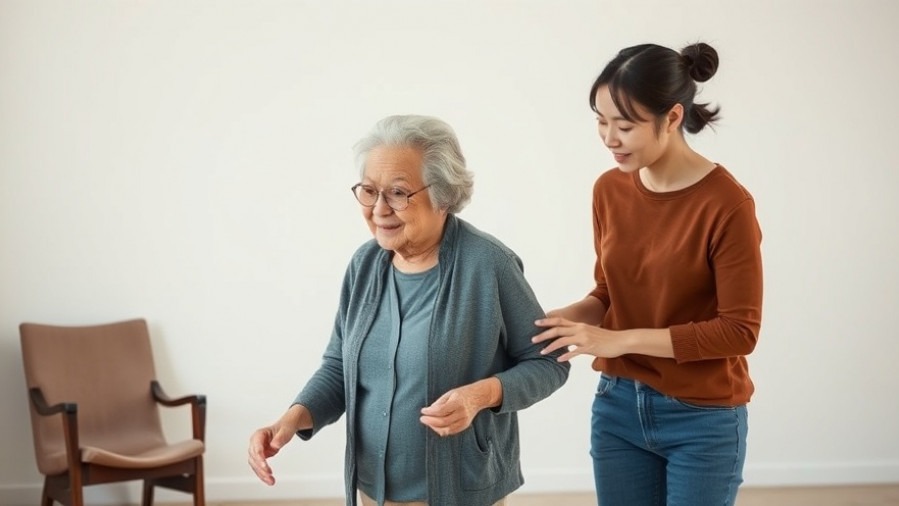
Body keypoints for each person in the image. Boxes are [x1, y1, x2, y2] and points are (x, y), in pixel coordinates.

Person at [248, 114, 570, 506]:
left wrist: (481, 395)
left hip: (460, 490)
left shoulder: (489, 265)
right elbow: (339, 366)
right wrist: (291, 420)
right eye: (368, 191)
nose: (379, 209)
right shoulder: (363, 266)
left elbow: (549, 361)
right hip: (372, 489)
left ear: (443, 196)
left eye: (398, 193)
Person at [533, 42, 763, 506]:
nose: (609, 138)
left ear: (673, 117)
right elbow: (607, 291)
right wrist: (564, 319)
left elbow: (739, 332)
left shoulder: (727, 205)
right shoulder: (609, 190)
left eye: (625, 125)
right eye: (600, 121)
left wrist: (619, 341)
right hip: (618, 409)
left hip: (703, 418)